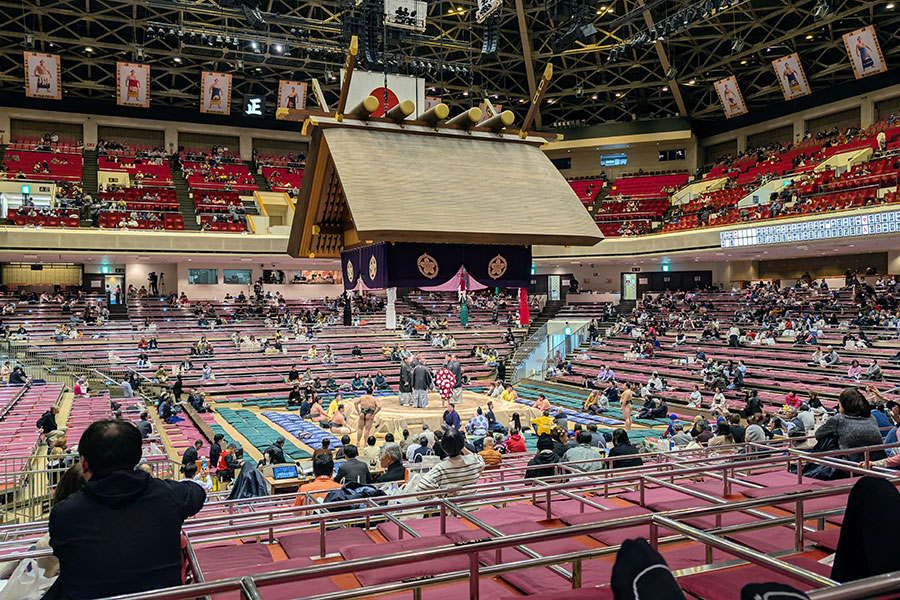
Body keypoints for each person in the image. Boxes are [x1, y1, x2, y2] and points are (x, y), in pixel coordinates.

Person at [46, 419, 206, 599]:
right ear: (138, 458)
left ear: (84, 464)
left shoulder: (63, 513)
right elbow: (197, 492)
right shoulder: (171, 495)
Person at [815, 388, 885, 463]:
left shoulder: (838, 419)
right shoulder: (872, 418)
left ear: (843, 405)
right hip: (877, 462)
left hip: (852, 465)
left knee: (828, 439)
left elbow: (818, 434)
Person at [413, 428, 485, 493]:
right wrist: (461, 446)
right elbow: (478, 459)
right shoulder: (474, 461)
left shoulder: (440, 468)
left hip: (450, 506)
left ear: (443, 447)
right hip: (473, 506)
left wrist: (439, 493)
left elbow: (420, 488)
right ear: (463, 444)